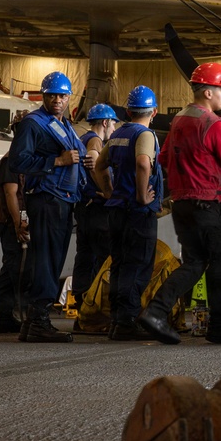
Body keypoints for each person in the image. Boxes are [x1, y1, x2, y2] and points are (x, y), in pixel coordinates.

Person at [138, 63, 221, 345]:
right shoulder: (214, 124)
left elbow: (163, 160)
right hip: (209, 204)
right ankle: (220, 327)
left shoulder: (179, 121)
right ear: (209, 91)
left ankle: (155, 312)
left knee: (194, 263)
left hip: (183, 205)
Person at [8, 71, 87, 343]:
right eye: (52, 94)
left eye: (62, 95)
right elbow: (17, 163)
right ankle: (39, 321)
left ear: (68, 97)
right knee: (46, 260)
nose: (57, 99)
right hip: (47, 199)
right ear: (43, 96)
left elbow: (75, 155)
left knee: (52, 260)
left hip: (63, 200)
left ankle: (33, 323)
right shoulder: (34, 123)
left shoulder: (61, 124)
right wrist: (57, 161)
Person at [94, 86, 162, 340]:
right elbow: (144, 163)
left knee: (120, 265)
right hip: (137, 212)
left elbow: (99, 166)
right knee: (138, 265)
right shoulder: (144, 135)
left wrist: (109, 191)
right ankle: (127, 322)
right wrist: (143, 196)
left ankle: (116, 319)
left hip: (117, 211)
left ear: (128, 111)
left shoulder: (117, 134)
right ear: (153, 111)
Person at [70, 103, 118, 309]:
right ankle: (98, 302)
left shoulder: (82, 138)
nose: (114, 130)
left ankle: (81, 299)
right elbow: (93, 158)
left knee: (84, 255)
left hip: (83, 207)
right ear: (105, 122)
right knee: (104, 256)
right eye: (113, 124)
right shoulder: (95, 140)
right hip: (96, 207)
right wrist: (108, 193)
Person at [0, 110, 33, 334]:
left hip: (18, 219)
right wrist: (18, 224)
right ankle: (5, 314)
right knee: (13, 266)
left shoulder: (22, 156)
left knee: (17, 266)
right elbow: (10, 193)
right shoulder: (11, 159)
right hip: (10, 222)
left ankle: (10, 314)